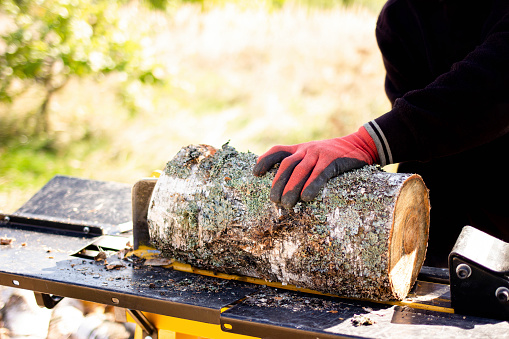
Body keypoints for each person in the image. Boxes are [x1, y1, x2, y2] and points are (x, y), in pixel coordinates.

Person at [253, 0, 509, 268]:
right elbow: (432, 148)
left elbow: (495, 85)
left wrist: (368, 143)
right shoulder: (400, 17)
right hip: (446, 229)